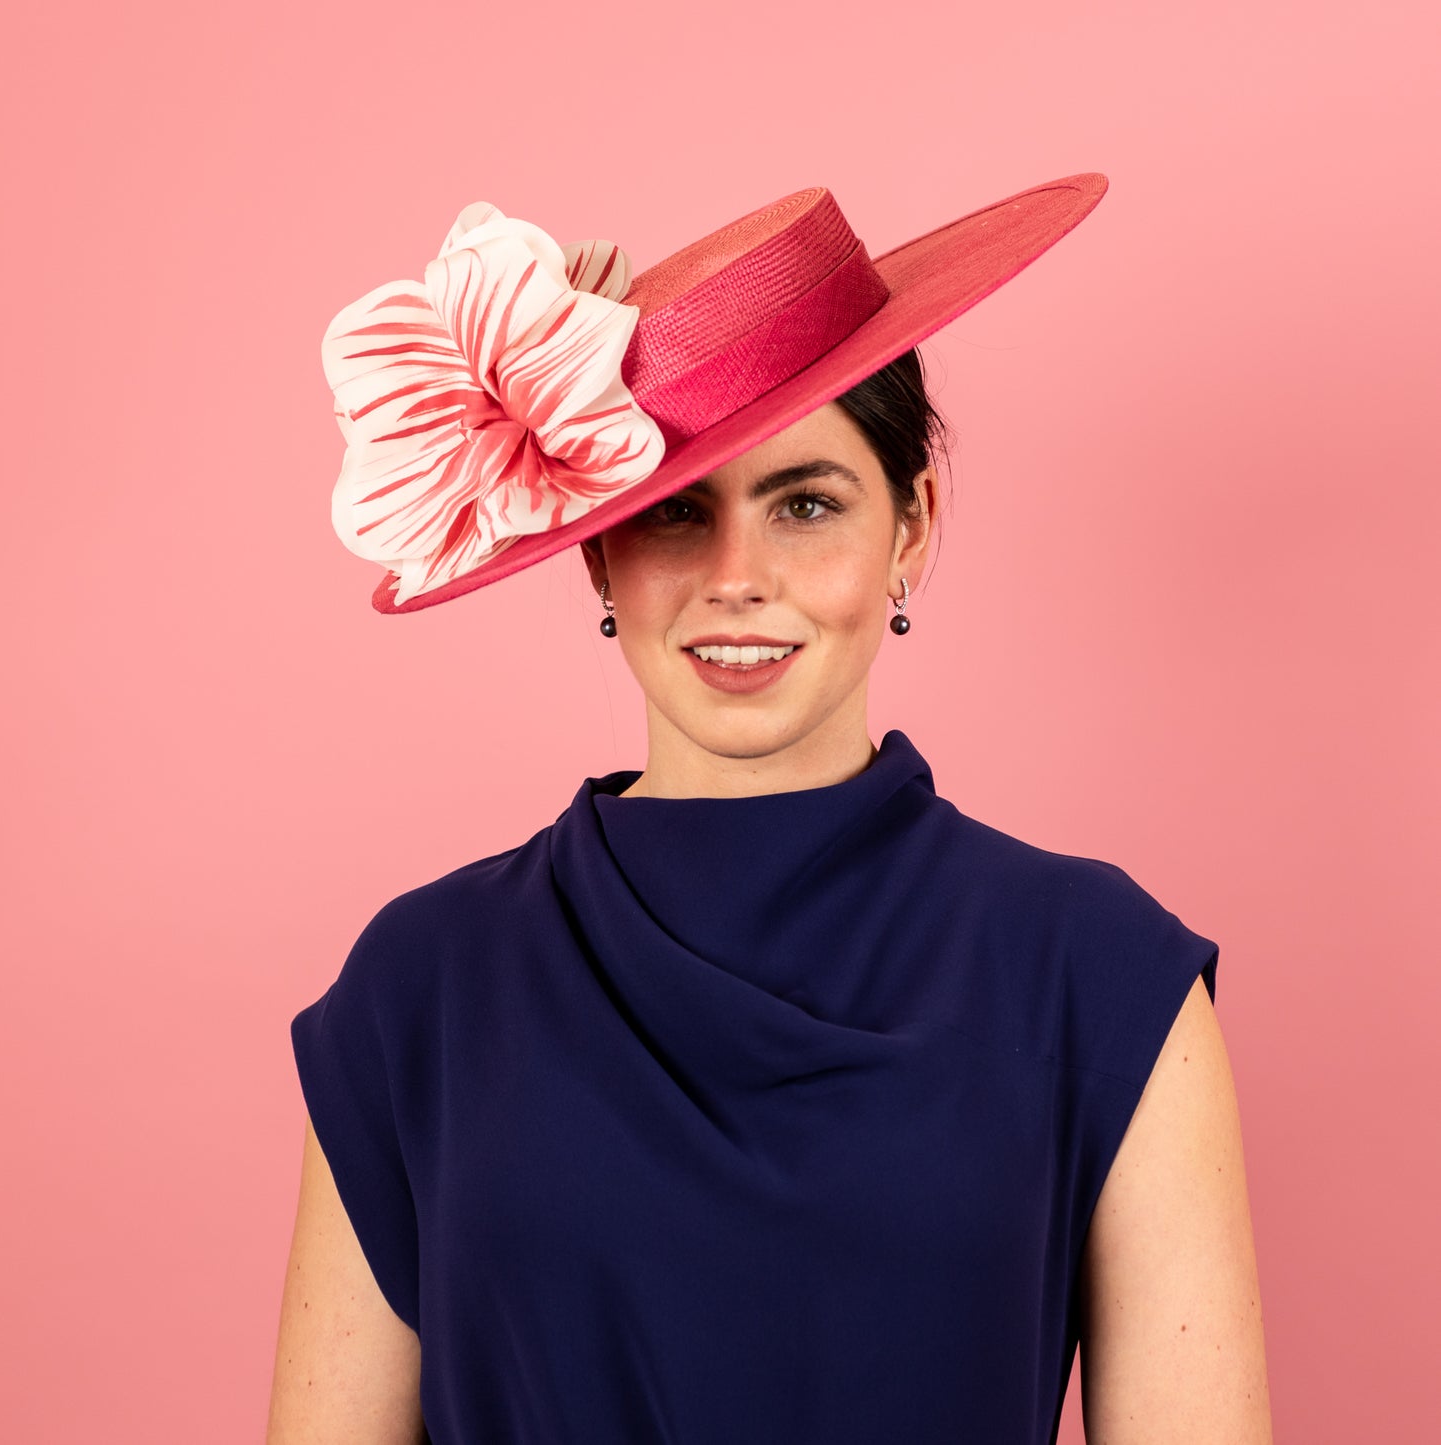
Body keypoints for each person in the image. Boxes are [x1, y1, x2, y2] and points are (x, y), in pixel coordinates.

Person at [267, 178, 1273, 1443]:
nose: (737, 579)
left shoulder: (1099, 973)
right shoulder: (419, 988)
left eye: (806, 504)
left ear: (910, 529)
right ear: (596, 551)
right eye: (677, 512)